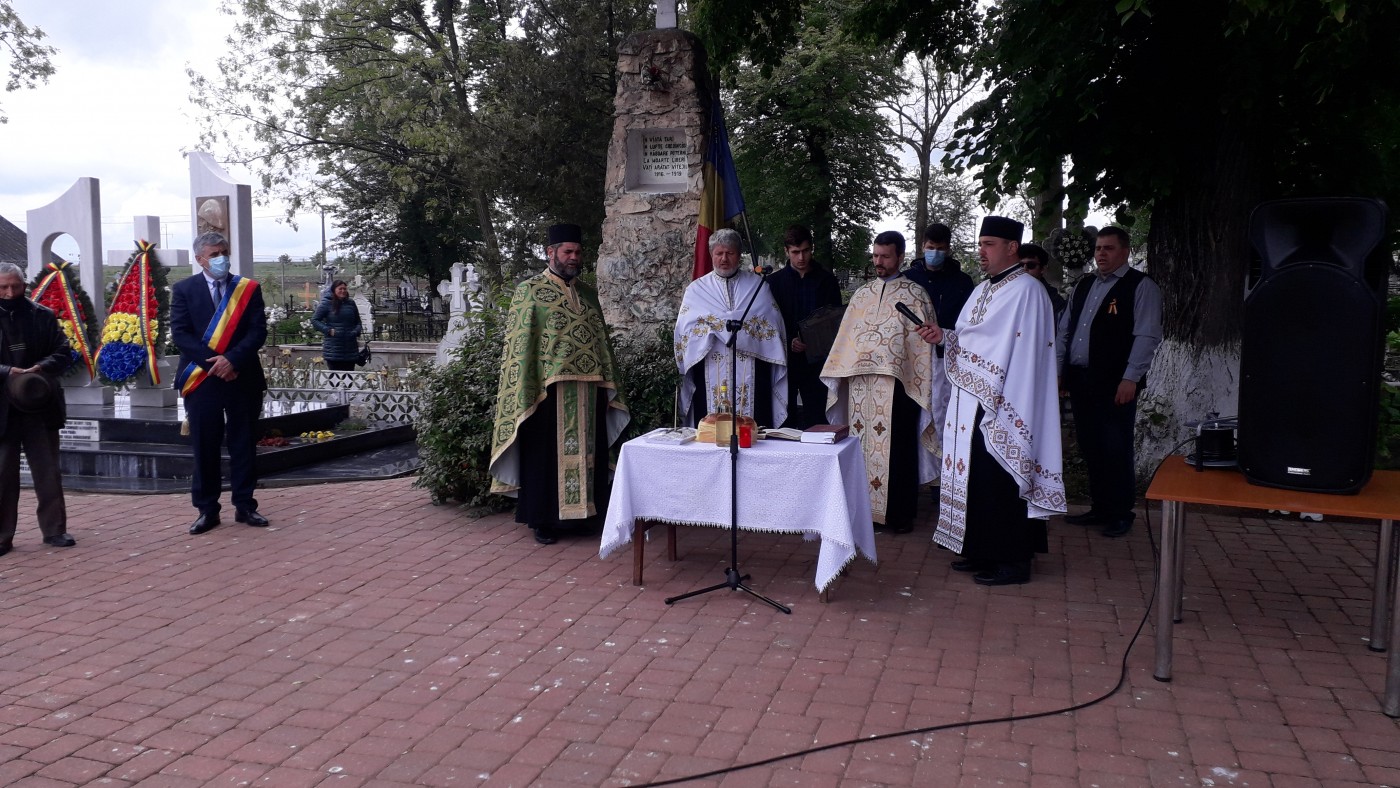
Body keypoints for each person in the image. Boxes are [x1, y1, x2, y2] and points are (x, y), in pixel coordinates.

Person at [922, 216, 1066, 585]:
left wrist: (959, 345)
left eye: (989, 244)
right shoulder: (983, 289)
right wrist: (945, 337)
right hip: (974, 398)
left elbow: (1015, 350)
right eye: (980, 244)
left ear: (1011, 247)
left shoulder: (1028, 291)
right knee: (977, 477)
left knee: (1001, 477)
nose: (981, 251)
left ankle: (1013, 560)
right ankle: (981, 549)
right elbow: (973, 337)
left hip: (1008, 400)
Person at [490, 223, 630, 545]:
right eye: (568, 251)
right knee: (545, 456)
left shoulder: (588, 294)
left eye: (578, 252)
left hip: (590, 390)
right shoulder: (530, 290)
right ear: (550, 253)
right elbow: (520, 347)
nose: (574, 257)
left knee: (589, 455)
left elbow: (601, 343)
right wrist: (527, 386)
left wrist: (607, 380)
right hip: (547, 393)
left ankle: (584, 517)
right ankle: (544, 521)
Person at [821, 231, 939, 534]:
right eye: (875, 256)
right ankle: (862, 512)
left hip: (899, 386)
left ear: (899, 256)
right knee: (860, 444)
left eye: (885, 256)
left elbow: (922, 347)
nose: (878, 262)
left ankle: (898, 516)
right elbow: (846, 338)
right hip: (861, 385)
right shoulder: (862, 295)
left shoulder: (915, 294)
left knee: (898, 448)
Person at [1057, 226, 1163, 538]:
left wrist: (1131, 377)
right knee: (1091, 445)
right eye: (1098, 248)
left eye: (1108, 248)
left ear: (1125, 251)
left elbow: (1146, 335)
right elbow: (1065, 330)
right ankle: (1100, 507)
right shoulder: (1084, 284)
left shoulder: (1141, 286)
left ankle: (1120, 512)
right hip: (1081, 378)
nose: (1101, 254)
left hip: (1116, 382)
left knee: (1115, 446)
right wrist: (1059, 370)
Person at [170, 232, 270, 535]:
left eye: (224, 252)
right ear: (200, 259)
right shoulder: (184, 289)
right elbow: (181, 333)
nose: (221, 258)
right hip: (202, 380)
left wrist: (232, 360)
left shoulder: (248, 289)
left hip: (242, 376)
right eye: (214, 254)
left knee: (243, 443)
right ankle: (207, 509)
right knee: (205, 445)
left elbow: (258, 331)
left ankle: (245, 505)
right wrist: (215, 364)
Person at [675, 228, 788, 427]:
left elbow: (772, 326)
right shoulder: (696, 290)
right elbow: (685, 332)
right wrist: (714, 330)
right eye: (719, 253)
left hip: (752, 368)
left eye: (730, 253)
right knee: (711, 428)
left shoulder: (758, 286)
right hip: (709, 363)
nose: (724, 259)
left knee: (753, 428)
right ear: (711, 254)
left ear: (739, 254)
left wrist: (731, 329)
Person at [0, 262, 76, 554]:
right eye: (3, 287)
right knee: (2, 475)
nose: (10, 293)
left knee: (47, 471)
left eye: (15, 286)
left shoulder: (41, 314)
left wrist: (41, 367)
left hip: (38, 401)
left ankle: (55, 530)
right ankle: (2, 536)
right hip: (3, 407)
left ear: (24, 285)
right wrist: (7, 371)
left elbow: (63, 351)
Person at [902, 222, 976, 505]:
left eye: (940, 249)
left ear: (948, 249)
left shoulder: (962, 282)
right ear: (922, 246)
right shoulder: (909, 279)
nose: (934, 253)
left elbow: (969, 324)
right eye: (930, 248)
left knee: (943, 421)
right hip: (913, 362)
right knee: (913, 420)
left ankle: (941, 484)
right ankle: (912, 480)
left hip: (947, 360)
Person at [763, 225, 843, 429]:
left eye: (806, 251)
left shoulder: (827, 281)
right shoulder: (773, 283)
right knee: (784, 417)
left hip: (817, 362)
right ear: (786, 251)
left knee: (817, 417)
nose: (801, 257)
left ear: (811, 248)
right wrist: (789, 339)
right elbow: (769, 322)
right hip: (785, 360)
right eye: (795, 252)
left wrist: (815, 341)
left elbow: (835, 320)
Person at [311, 280, 363, 371]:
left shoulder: (351, 303)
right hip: (334, 349)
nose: (343, 291)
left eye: (344, 289)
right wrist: (328, 330)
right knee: (335, 376)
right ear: (334, 290)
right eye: (340, 289)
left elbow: (358, 322)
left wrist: (355, 331)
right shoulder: (326, 303)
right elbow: (315, 320)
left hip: (350, 348)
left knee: (349, 376)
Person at [1019, 242, 1067, 320]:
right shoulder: (1006, 291)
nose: (1024, 269)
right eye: (1020, 266)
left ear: (1042, 269)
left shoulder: (1052, 299)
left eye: (1031, 265)